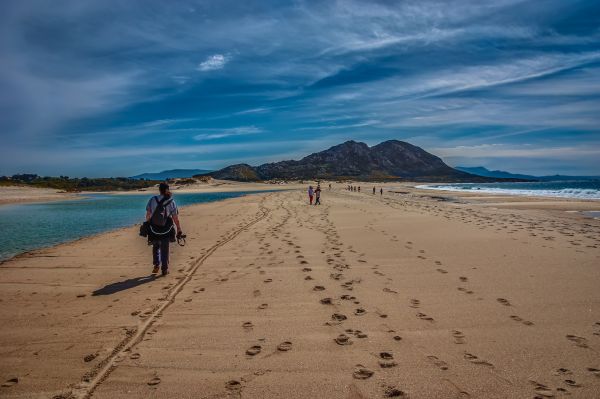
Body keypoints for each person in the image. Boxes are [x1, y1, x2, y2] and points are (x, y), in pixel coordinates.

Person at [146, 182, 183, 276]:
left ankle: (156, 265)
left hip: (154, 228)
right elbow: (175, 217)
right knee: (165, 248)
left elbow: (148, 215)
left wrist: (148, 225)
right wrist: (178, 228)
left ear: (159, 190)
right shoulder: (171, 201)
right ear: (167, 190)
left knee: (155, 246)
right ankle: (164, 269)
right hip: (166, 228)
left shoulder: (152, 199)